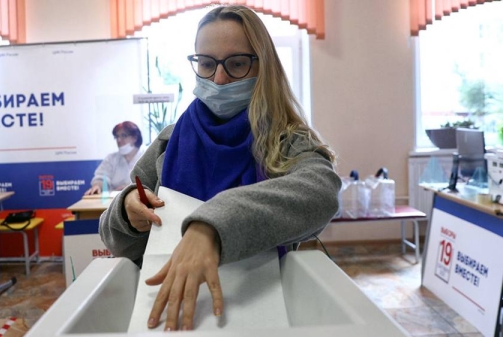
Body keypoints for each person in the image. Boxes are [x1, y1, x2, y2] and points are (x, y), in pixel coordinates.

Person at [99, 5, 341, 332]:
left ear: (263, 66)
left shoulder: (288, 140)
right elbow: (116, 240)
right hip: (172, 315)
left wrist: (210, 227)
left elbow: (321, 190)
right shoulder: (168, 142)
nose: (220, 78)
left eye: (237, 63)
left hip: (258, 309)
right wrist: (128, 213)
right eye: (207, 63)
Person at [85, 121, 145, 195]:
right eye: (117, 136)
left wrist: (129, 188)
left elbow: (151, 181)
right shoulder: (111, 158)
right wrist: (98, 185)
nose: (119, 140)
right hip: (114, 201)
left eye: (123, 135)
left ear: (135, 138)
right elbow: (102, 177)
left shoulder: (146, 156)